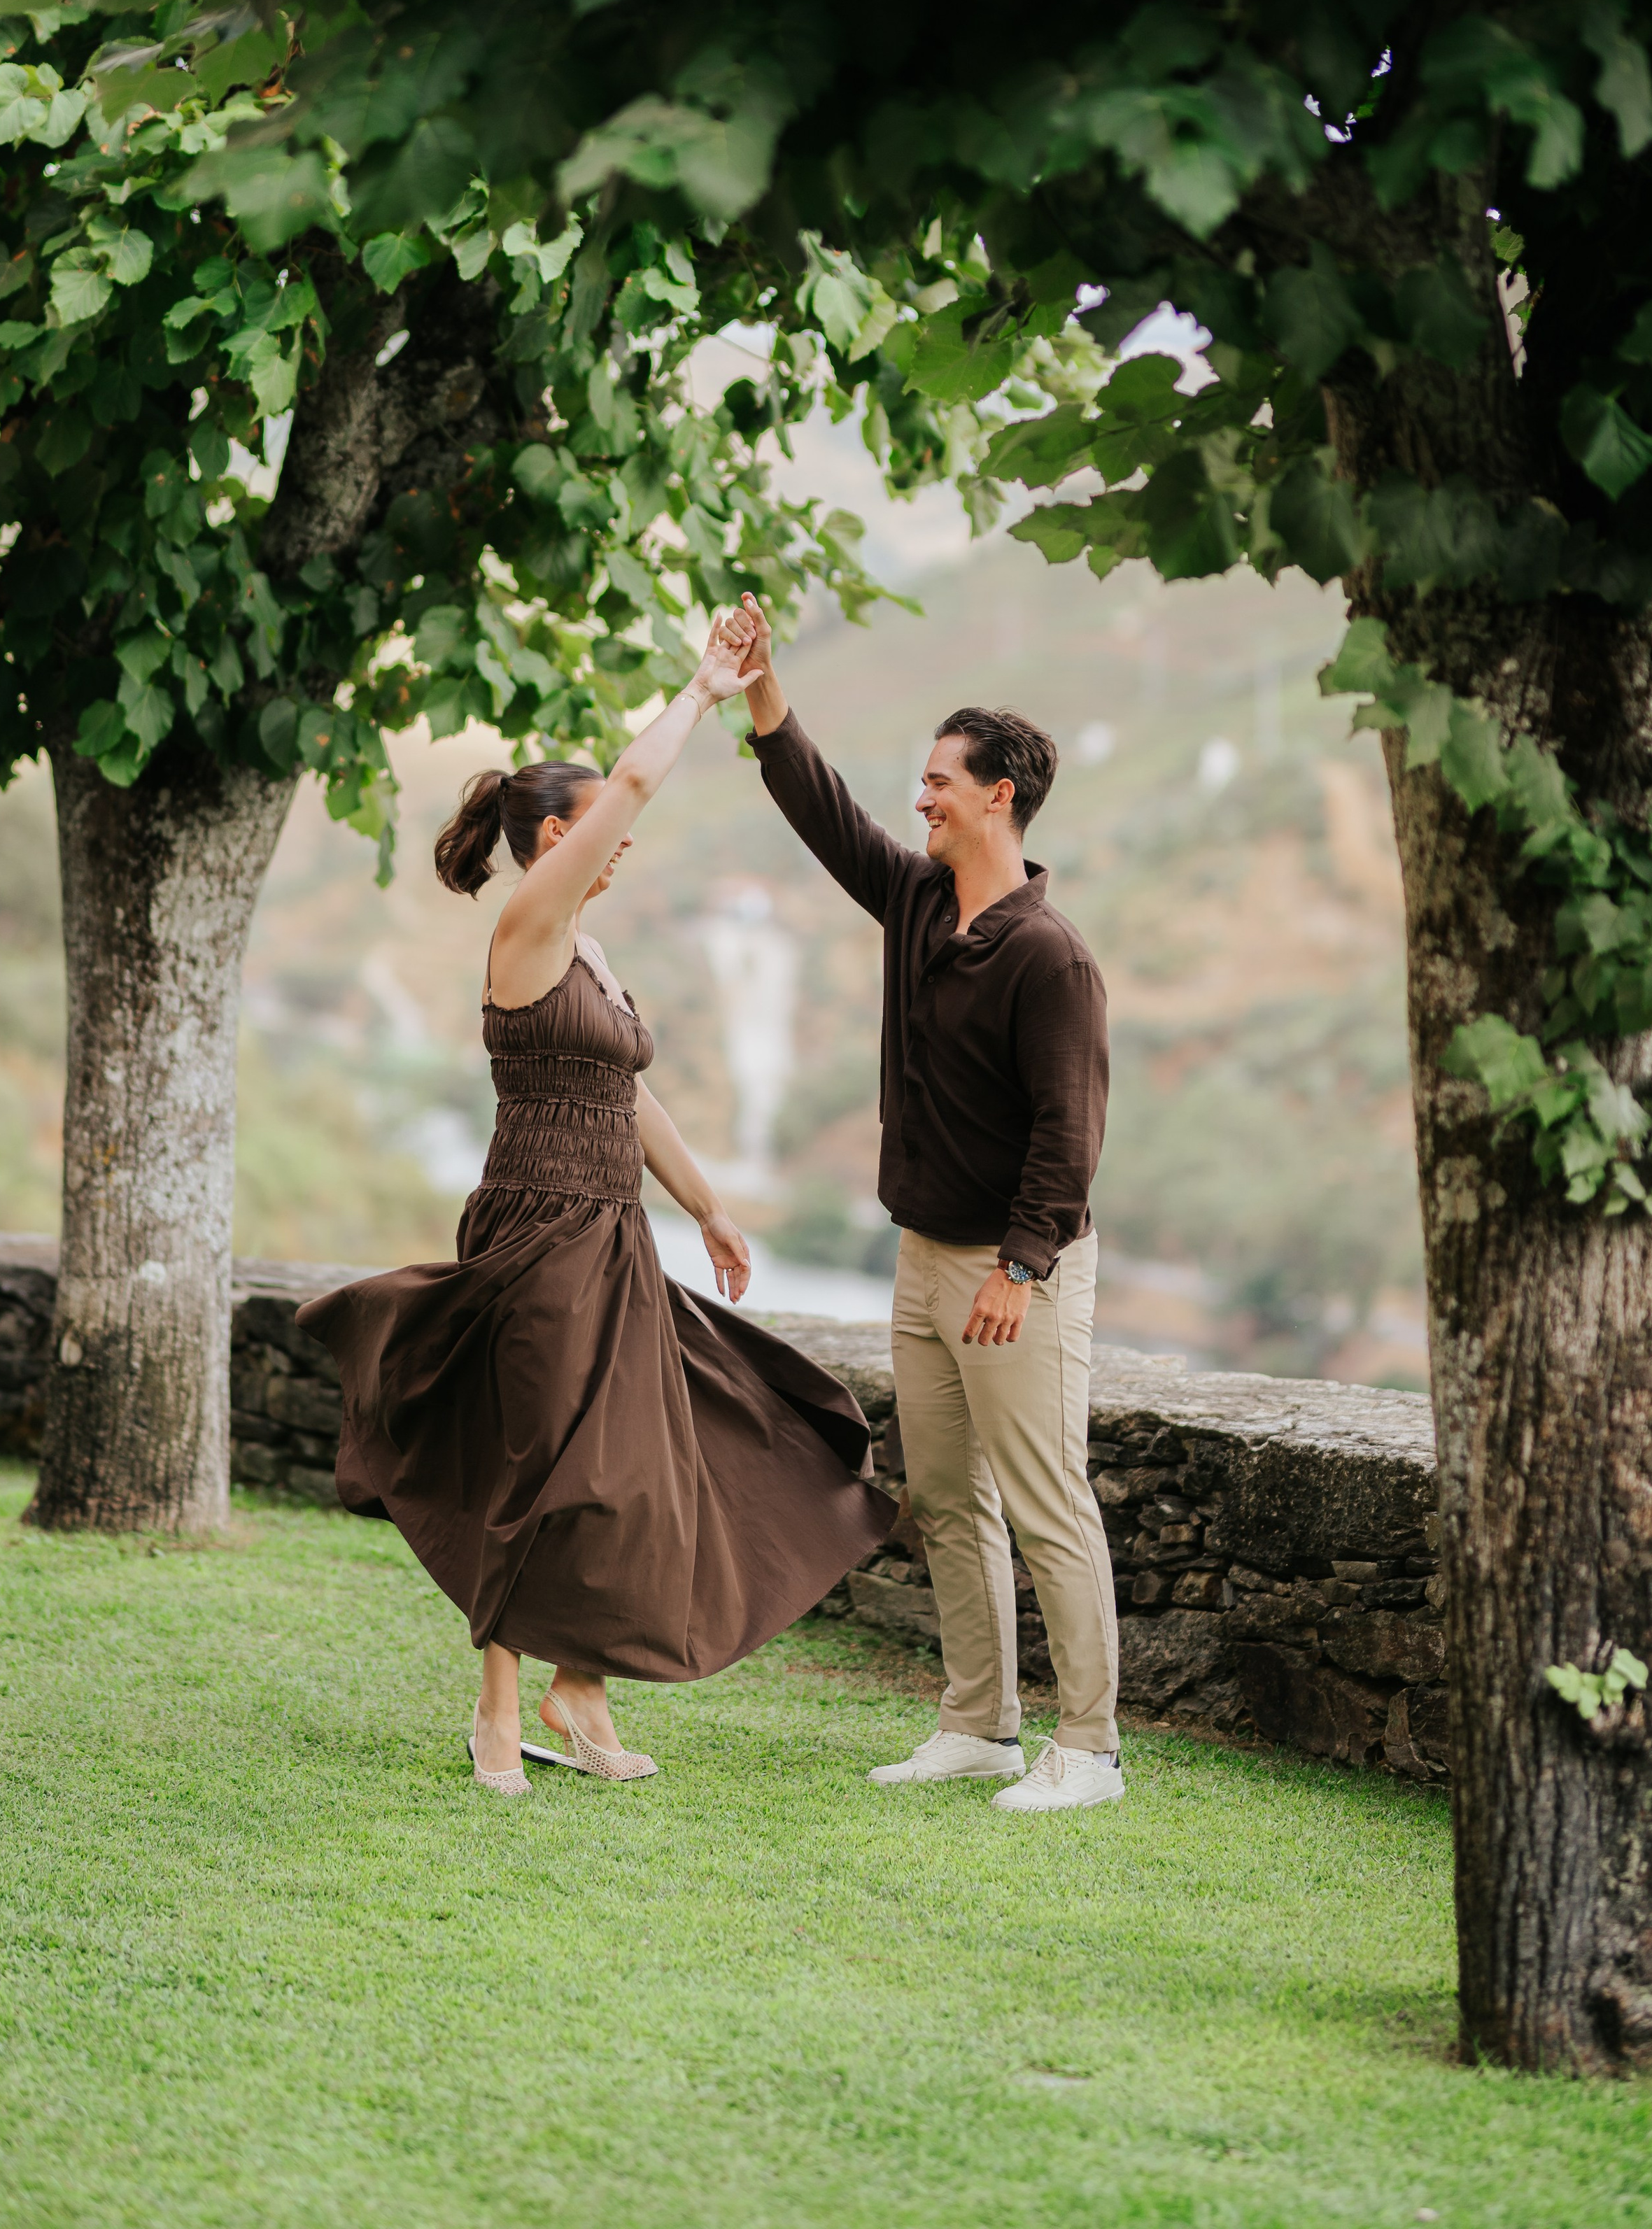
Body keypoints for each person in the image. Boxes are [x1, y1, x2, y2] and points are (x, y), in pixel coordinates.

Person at [297, 617, 894, 1798]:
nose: (619, 851)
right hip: (534, 1230)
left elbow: (632, 1093)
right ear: (556, 838)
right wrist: (704, 690)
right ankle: (499, 1710)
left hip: (613, 1229)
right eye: (599, 840)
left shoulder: (596, 949)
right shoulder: (527, 929)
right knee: (538, 1467)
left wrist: (710, 1209)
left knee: (621, 1468)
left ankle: (581, 1689)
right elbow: (631, 779)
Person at [723, 593, 1117, 1815]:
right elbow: (823, 812)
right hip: (921, 1257)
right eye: (926, 777)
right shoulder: (913, 904)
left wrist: (1020, 1268)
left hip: (1014, 1274)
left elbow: (1071, 1133)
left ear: (1000, 795)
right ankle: (979, 1726)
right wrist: (761, 688)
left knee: (1047, 1503)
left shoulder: (1051, 957)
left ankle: (1090, 1750)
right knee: (948, 1499)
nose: (923, 796)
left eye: (943, 780)